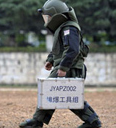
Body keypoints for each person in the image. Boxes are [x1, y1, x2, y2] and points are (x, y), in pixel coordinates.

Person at [19, 0, 102, 128]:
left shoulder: (69, 28)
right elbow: (59, 49)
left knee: (54, 93)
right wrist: (50, 60)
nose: (46, 19)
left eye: (48, 16)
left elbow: (73, 49)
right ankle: (92, 121)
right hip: (66, 67)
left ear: (56, 15)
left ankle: (37, 121)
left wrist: (63, 68)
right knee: (62, 95)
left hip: (71, 68)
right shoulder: (63, 28)